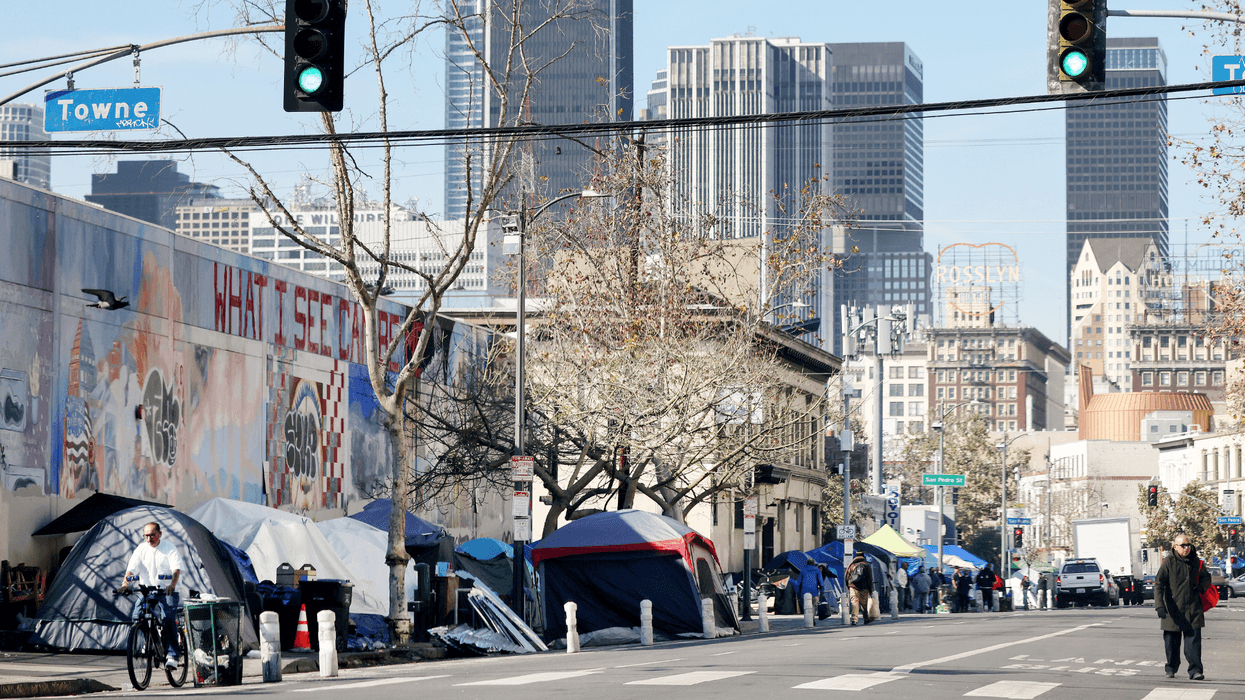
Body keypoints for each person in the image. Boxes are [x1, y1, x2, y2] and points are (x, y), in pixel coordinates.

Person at [120, 522, 184, 670]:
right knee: (137, 615)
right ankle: (149, 639)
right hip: (147, 590)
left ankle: (173, 655)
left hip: (167, 590)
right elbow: (131, 570)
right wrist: (125, 584)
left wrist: (172, 584)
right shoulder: (141, 549)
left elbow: (176, 570)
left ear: (159, 534)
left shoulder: (169, 548)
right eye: (146, 536)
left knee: (168, 619)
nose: (149, 539)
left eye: (152, 535)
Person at [1154, 532, 1213, 681]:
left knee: (1193, 643)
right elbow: (1159, 584)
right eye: (1183, 545)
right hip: (1172, 611)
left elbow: (1206, 577)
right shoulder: (1169, 562)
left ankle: (1195, 671)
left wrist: (1201, 587)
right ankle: (1171, 667)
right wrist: (1159, 605)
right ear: (1175, 547)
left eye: (1189, 545)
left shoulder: (1196, 561)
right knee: (1171, 644)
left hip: (1193, 609)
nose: (1187, 548)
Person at [846, 554, 873, 625]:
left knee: (854, 603)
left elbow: (847, 576)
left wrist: (848, 586)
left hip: (853, 587)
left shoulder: (852, 565)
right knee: (864, 604)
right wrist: (870, 590)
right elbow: (869, 579)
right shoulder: (866, 566)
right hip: (864, 588)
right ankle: (866, 618)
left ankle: (854, 619)